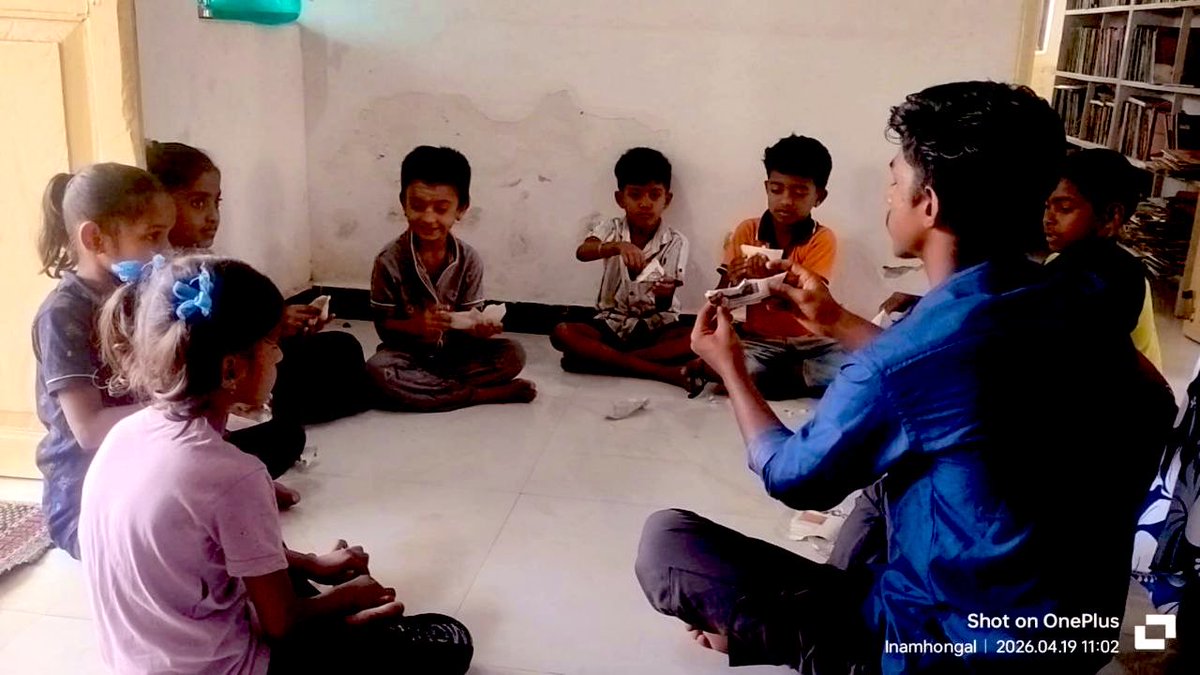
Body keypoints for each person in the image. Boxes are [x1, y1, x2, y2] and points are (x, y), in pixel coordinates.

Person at [634, 81, 1176, 674]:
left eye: (895, 182)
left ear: (930, 204)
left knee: (668, 545)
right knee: (889, 482)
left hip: (948, 649)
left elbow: (794, 478)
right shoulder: (1069, 298)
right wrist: (837, 320)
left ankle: (835, 646)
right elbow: (1143, 401)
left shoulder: (909, 352)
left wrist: (731, 367)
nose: (888, 197)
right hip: (1076, 635)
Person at [80, 255, 474, 674]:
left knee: (280, 574)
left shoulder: (126, 433)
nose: (281, 357)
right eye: (272, 343)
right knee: (448, 647)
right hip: (223, 667)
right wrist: (345, 599)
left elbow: (215, 545)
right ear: (231, 368)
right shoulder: (235, 475)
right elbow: (281, 624)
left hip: (137, 662)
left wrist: (311, 564)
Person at [147, 140, 370, 427]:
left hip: (250, 363)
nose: (213, 217)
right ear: (160, 207)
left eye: (217, 202)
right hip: (215, 381)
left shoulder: (205, 260)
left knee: (343, 346)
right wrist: (269, 329)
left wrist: (280, 328)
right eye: (198, 202)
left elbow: (241, 326)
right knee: (286, 435)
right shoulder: (161, 274)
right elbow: (205, 346)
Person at [33, 164, 173, 558]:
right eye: (152, 237)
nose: (164, 252)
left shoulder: (135, 292)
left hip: (143, 465)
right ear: (95, 237)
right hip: (87, 501)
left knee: (264, 448)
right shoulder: (63, 315)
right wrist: (177, 404)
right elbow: (90, 430)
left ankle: (292, 565)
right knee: (190, 536)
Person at [367, 145, 535, 411]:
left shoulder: (469, 259)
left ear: (461, 208)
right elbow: (383, 326)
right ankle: (482, 395)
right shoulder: (388, 260)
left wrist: (479, 329)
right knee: (378, 370)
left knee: (513, 354)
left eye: (441, 208)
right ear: (403, 203)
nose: (428, 218)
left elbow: (471, 320)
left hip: (456, 356)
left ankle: (429, 390)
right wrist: (415, 326)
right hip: (407, 356)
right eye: (418, 206)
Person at [699, 134, 845, 400]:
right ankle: (786, 378)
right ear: (767, 188)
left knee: (856, 364)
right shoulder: (747, 230)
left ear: (819, 197)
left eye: (799, 192)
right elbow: (720, 302)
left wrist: (770, 278)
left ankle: (770, 379)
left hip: (811, 343)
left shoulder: (822, 238)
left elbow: (813, 300)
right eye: (777, 190)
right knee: (718, 361)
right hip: (759, 342)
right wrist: (733, 281)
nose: (786, 200)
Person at [550, 147, 697, 392]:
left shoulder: (676, 241)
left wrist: (664, 292)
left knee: (698, 339)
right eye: (635, 195)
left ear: (667, 200)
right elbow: (583, 252)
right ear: (621, 199)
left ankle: (605, 360)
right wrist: (617, 246)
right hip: (612, 325)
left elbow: (664, 305)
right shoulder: (611, 228)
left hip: (657, 327)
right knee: (562, 332)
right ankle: (661, 371)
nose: (645, 203)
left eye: (654, 195)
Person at [1043, 148, 1162, 371]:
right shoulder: (1133, 271)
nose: (1048, 219)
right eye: (1047, 206)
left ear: (1111, 216)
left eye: (1065, 208)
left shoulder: (1106, 284)